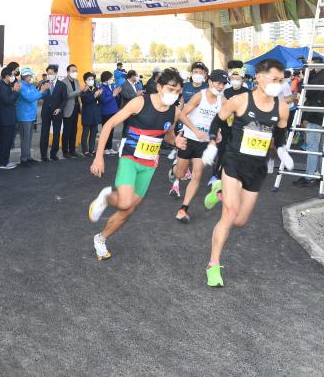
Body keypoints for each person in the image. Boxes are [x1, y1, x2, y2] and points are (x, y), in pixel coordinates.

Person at [201, 58, 292, 287]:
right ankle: (213, 265)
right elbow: (217, 121)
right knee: (230, 214)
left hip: (257, 167)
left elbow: (280, 133)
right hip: (234, 162)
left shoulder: (282, 107)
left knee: (240, 221)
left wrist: (282, 149)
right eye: (274, 79)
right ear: (259, 78)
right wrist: (212, 143)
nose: (278, 85)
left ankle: (219, 192)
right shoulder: (240, 100)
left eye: (281, 81)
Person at [87, 68, 186, 260]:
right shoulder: (140, 102)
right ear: (159, 87)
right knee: (124, 202)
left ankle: (100, 238)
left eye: (177, 91)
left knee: (128, 209)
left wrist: (176, 141)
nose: (173, 94)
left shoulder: (174, 112)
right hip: (130, 158)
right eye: (170, 89)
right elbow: (108, 125)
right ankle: (106, 197)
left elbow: (168, 135)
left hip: (149, 164)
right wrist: (98, 157)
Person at [171, 69, 227, 222]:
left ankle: (183, 209)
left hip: (203, 144)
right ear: (210, 82)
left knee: (197, 175)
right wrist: (196, 131)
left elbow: (222, 119)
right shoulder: (199, 96)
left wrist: (218, 132)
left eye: (223, 84)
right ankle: (174, 170)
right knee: (180, 174)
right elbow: (182, 115)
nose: (221, 87)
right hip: (188, 139)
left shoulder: (223, 101)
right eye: (218, 83)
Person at [16, 67, 48, 166]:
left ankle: (28, 156)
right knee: (25, 138)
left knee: (29, 138)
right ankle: (24, 159)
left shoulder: (30, 86)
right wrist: (41, 91)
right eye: (30, 76)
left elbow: (38, 95)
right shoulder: (21, 85)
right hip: (24, 116)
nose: (31, 78)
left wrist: (45, 89)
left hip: (31, 115)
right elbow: (30, 98)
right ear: (25, 76)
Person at [39, 64, 67, 162]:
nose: (49, 75)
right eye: (48, 73)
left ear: (56, 73)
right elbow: (40, 96)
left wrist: (60, 108)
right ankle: (43, 155)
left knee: (56, 133)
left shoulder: (62, 85)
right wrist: (43, 90)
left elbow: (64, 99)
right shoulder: (44, 83)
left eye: (51, 73)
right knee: (44, 133)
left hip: (57, 112)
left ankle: (53, 154)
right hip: (46, 111)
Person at [0, 67, 21, 170]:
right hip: (5, 119)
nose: (13, 77)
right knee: (5, 141)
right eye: (12, 75)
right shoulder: (1, 87)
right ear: (6, 76)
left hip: (9, 118)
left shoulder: (7, 85)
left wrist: (14, 91)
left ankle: (5, 161)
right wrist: (15, 91)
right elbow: (7, 101)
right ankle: (3, 163)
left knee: (8, 141)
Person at [61, 64, 82, 158]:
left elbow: (79, 94)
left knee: (74, 130)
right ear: (68, 72)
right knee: (67, 131)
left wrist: (82, 92)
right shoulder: (63, 82)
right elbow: (66, 95)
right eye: (73, 71)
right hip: (68, 109)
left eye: (76, 71)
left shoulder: (77, 81)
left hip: (76, 108)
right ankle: (65, 152)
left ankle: (72, 150)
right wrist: (79, 91)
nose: (75, 73)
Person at [98, 71, 121, 155]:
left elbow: (116, 98)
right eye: (111, 78)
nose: (112, 80)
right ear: (106, 79)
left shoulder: (112, 86)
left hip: (113, 111)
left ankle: (110, 147)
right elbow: (103, 100)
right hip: (106, 112)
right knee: (106, 131)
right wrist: (113, 95)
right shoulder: (101, 88)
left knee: (111, 131)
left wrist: (117, 94)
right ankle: (104, 148)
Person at [80, 72, 102, 156]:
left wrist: (99, 95)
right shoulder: (84, 90)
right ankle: (85, 150)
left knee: (93, 133)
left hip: (95, 114)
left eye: (92, 79)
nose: (91, 80)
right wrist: (94, 96)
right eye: (89, 79)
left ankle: (92, 149)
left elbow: (100, 101)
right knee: (85, 133)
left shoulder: (95, 88)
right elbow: (85, 101)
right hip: (87, 114)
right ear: (85, 81)